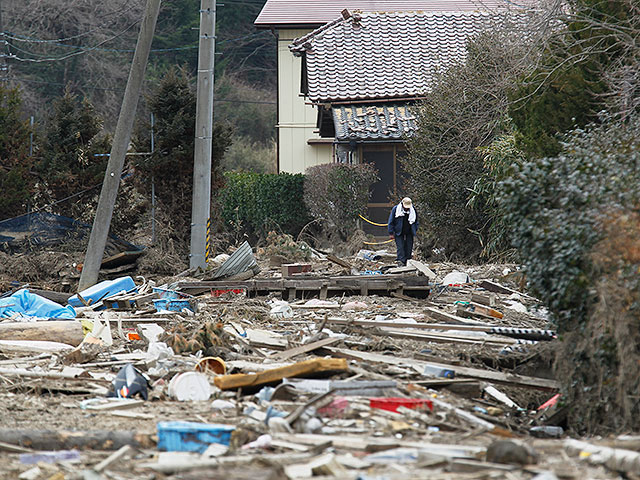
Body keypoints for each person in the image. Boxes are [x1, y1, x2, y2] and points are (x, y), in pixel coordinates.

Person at [388, 197, 418, 266]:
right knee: (400, 247)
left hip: (409, 231)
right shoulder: (396, 209)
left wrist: (415, 229)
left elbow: (416, 221)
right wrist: (391, 232)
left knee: (409, 246)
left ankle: (408, 260)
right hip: (398, 231)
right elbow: (391, 221)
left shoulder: (413, 210)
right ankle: (401, 261)